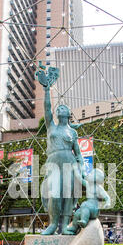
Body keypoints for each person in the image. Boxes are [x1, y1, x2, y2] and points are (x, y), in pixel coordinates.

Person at [36, 64, 85, 235]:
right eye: (59, 108)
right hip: (54, 162)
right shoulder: (51, 127)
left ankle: (64, 226)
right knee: (54, 193)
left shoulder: (72, 132)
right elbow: (47, 108)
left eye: (63, 108)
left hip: (69, 163)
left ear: (68, 113)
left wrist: (82, 169)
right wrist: (47, 90)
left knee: (68, 196)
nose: (60, 108)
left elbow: (78, 153)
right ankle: (52, 224)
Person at [67, 168, 111, 234]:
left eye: (91, 174)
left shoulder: (98, 188)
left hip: (94, 209)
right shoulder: (88, 184)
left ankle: (84, 221)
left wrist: (108, 203)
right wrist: (76, 170)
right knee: (77, 213)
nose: (89, 175)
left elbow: (107, 197)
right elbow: (80, 179)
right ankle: (74, 228)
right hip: (86, 207)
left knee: (84, 204)